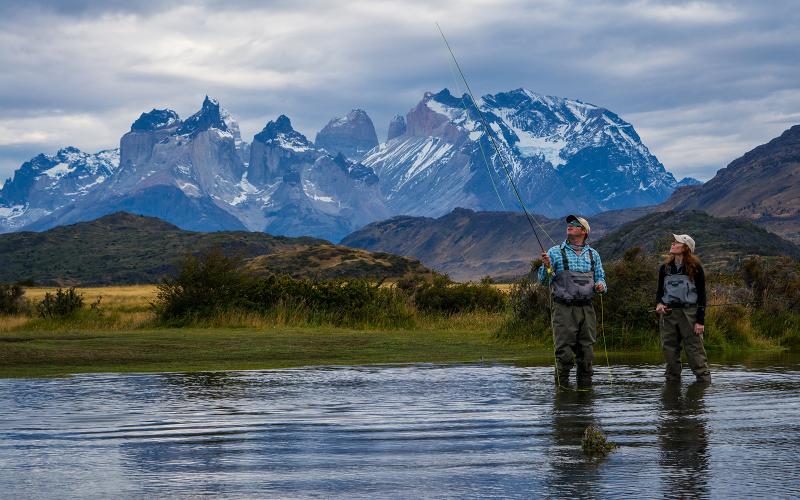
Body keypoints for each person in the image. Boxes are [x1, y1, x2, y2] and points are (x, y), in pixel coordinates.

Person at [539, 215, 607, 387]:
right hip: (564, 308)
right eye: (569, 223)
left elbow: (601, 278)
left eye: (575, 224)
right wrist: (546, 266)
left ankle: (585, 394)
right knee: (564, 352)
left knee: (586, 352)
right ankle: (562, 392)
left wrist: (600, 286)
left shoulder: (594, 255)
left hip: (587, 308)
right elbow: (543, 281)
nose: (570, 225)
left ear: (584, 231)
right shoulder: (554, 252)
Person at [655, 234, 711, 383]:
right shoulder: (664, 268)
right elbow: (660, 293)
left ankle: (703, 386)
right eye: (673, 242)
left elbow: (702, 296)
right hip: (668, 315)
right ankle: (672, 390)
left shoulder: (696, 268)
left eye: (677, 242)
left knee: (695, 351)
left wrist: (700, 321)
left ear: (686, 248)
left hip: (690, 314)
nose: (673, 244)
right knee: (670, 351)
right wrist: (659, 304)